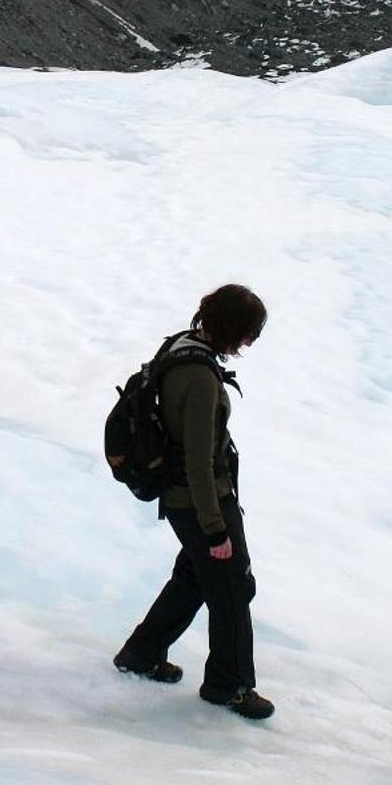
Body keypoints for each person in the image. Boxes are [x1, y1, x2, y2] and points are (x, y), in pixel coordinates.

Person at [115, 284, 274, 721]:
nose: (248, 344)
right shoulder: (201, 379)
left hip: (183, 496)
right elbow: (200, 462)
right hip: (201, 500)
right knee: (231, 587)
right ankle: (230, 685)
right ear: (232, 329)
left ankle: (142, 652)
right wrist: (215, 529)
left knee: (196, 577)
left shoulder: (181, 347)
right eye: (248, 334)